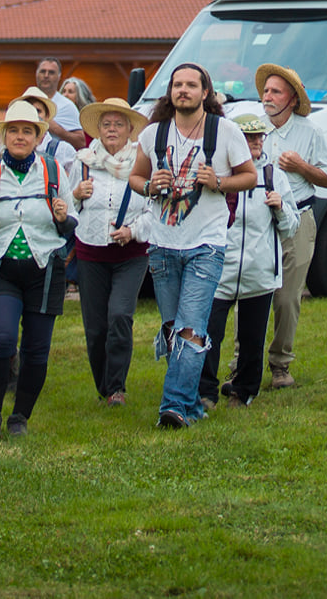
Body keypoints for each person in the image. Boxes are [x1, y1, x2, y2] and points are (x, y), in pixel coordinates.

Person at [129, 63, 257, 429]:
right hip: (163, 246)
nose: (183, 90)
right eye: (177, 85)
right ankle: (191, 404)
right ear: (170, 92)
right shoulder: (153, 134)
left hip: (206, 244)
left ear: (205, 92)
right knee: (173, 329)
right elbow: (135, 178)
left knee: (191, 328)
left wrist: (219, 180)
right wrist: (151, 185)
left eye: (191, 85)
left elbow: (248, 176)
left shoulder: (225, 132)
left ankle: (172, 408)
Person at [0, 100, 77, 439]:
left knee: (36, 349)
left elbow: (72, 222)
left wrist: (61, 217)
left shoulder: (54, 170)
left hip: (45, 270)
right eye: (13, 130)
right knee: (1, 338)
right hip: (1, 266)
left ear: (37, 136)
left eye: (27, 131)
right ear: (4, 135)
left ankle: (20, 418)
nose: (19, 136)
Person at [199, 108, 299, 409]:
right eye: (249, 137)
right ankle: (205, 392)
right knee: (208, 334)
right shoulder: (218, 175)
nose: (256, 143)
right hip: (219, 270)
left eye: (259, 137)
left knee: (253, 338)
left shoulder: (273, 176)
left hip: (259, 271)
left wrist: (280, 207)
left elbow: (291, 227)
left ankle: (243, 391)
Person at [73, 97, 151, 405]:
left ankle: (117, 387)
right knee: (95, 327)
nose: (112, 130)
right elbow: (64, 206)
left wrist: (132, 231)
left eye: (119, 124)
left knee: (120, 315)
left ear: (131, 129)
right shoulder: (82, 161)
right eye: (106, 124)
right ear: (98, 130)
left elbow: (153, 210)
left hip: (130, 255)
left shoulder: (142, 163)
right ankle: (103, 384)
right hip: (90, 253)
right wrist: (76, 194)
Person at [257, 63, 327, 390]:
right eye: (266, 90)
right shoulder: (251, 129)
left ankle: (280, 365)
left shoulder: (310, 132)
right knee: (251, 294)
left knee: (287, 299)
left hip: (299, 219)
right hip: (257, 223)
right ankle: (241, 363)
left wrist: (301, 166)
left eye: (275, 92)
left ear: (292, 100)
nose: (267, 97)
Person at [34, 60, 90, 149]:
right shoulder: (24, 101)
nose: (46, 75)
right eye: (43, 71)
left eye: (51, 72)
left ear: (59, 76)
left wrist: (56, 129)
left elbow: (81, 142)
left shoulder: (67, 106)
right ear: (36, 74)